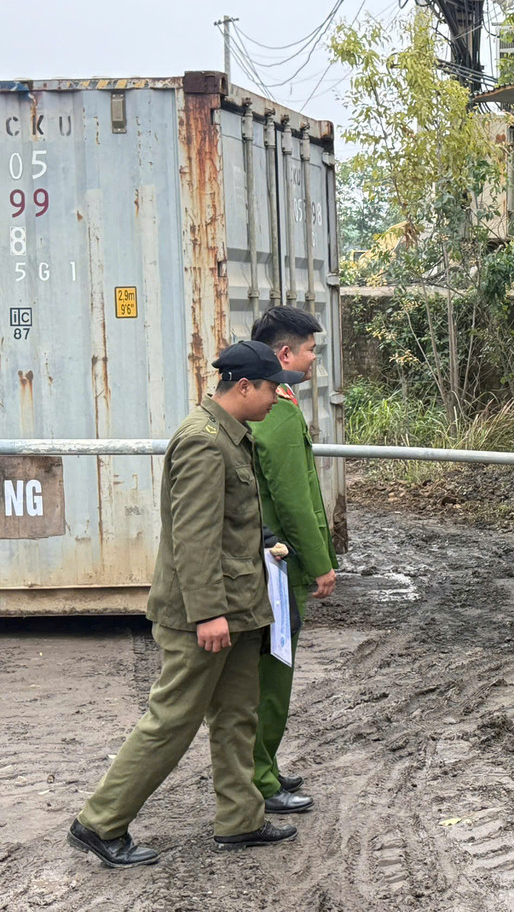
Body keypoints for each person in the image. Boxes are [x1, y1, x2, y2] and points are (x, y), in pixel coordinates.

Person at [68, 342, 304, 867]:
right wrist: (207, 613)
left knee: (237, 715)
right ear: (244, 387)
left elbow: (230, 529)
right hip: (207, 613)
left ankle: (240, 819)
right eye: (272, 388)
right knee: (172, 719)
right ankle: (100, 821)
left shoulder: (231, 436)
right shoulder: (203, 442)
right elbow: (193, 538)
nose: (279, 397)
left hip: (240, 608)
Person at [249, 306, 339, 815]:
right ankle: (260, 777)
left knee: (270, 671)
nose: (312, 363)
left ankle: (264, 763)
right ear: (284, 354)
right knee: (273, 674)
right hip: (278, 567)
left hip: (275, 563)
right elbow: (293, 500)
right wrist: (320, 562)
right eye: (309, 352)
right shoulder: (277, 414)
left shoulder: (278, 406)